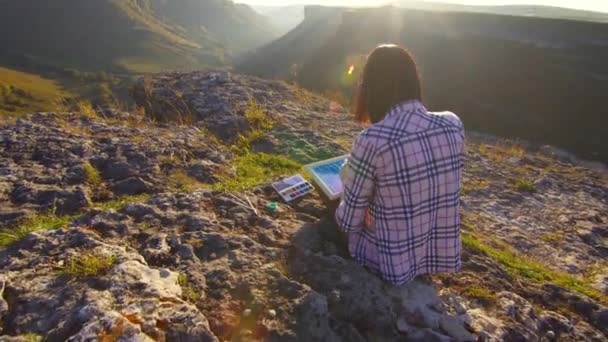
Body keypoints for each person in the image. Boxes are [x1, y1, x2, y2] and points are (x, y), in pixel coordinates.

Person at [335, 44, 465, 286]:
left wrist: (346, 179)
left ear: (371, 89)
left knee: (331, 208)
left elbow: (348, 222)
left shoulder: (372, 140)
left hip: (389, 263)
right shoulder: (452, 123)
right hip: (434, 254)